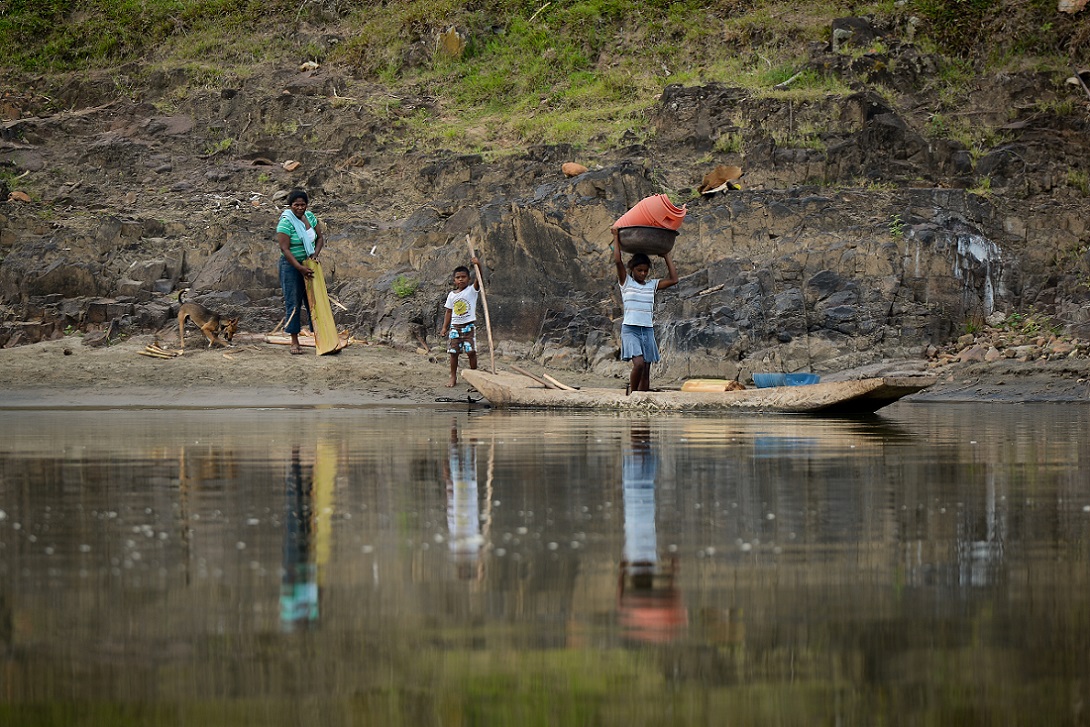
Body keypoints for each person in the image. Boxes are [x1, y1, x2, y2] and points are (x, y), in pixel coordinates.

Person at [613, 229, 678, 393]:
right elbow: (618, 262)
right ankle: (633, 395)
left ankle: (642, 399)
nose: (642, 273)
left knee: (646, 371)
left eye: (645, 270)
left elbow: (674, 280)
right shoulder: (626, 282)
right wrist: (615, 237)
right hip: (631, 329)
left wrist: (666, 256)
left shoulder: (651, 285)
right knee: (639, 364)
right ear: (632, 269)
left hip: (647, 330)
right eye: (639, 270)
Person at [276, 189, 325, 355]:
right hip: (291, 267)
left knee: (315, 301)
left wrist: (314, 256)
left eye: (302, 204)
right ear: (290, 206)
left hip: (309, 265)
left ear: (307, 205)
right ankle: (294, 341)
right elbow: (285, 248)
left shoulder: (310, 218)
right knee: (294, 303)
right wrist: (299, 268)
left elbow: (320, 238)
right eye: (296, 204)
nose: (299, 207)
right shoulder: (285, 222)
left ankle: (321, 338)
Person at [441, 256, 482, 387]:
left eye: (463, 277)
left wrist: (478, 265)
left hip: (468, 327)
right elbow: (448, 312)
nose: (461, 279)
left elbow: (479, 280)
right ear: (454, 280)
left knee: (471, 352)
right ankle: (453, 377)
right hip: (455, 327)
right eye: (458, 277)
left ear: (468, 279)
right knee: (454, 353)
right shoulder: (452, 295)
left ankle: (474, 376)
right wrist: (444, 327)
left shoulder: (472, 291)